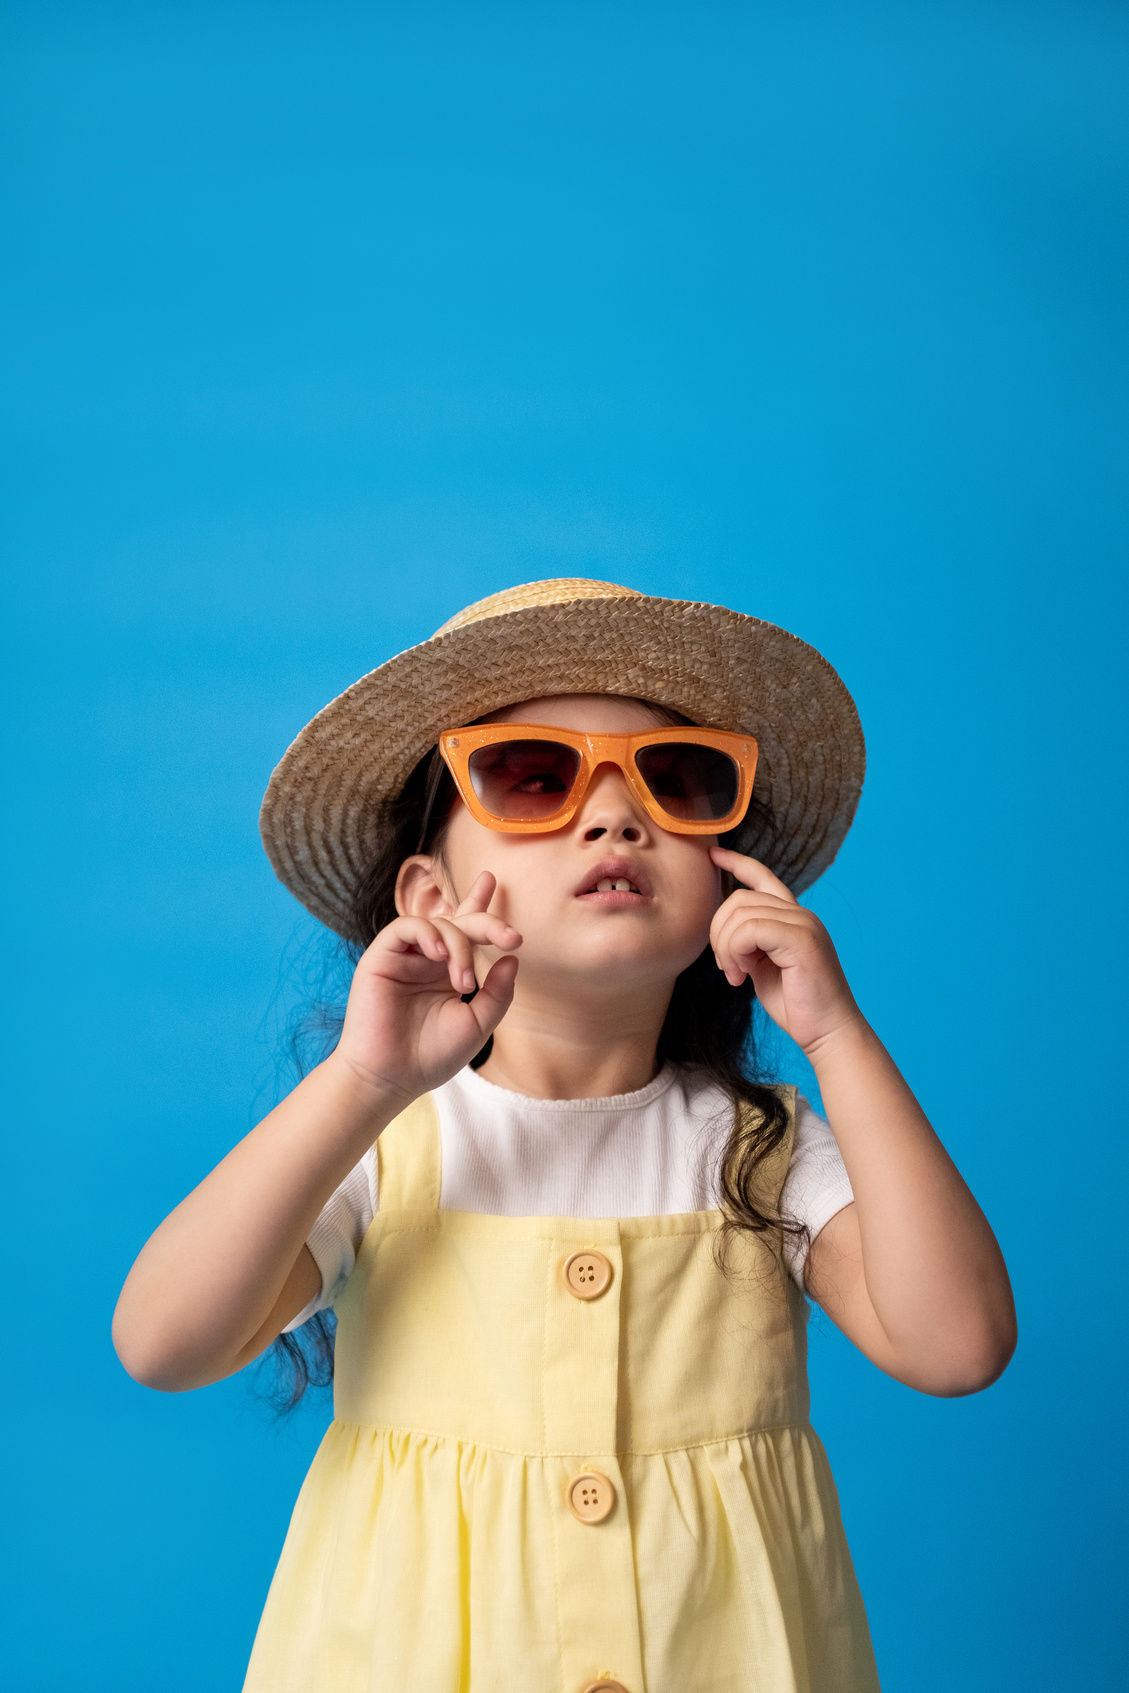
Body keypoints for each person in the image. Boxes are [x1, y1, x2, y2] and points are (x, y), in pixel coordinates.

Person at [113, 579, 1016, 1693]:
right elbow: (162, 1341)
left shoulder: (762, 1148)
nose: (614, 814)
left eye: (674, 780)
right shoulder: (385, 1144)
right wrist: (362, 1081)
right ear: (428, 891)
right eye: (534, 777)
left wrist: (836, 1035)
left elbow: (958, 1345)